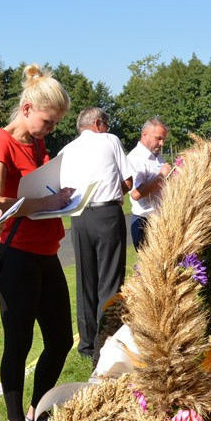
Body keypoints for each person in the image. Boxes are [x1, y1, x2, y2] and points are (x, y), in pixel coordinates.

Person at [0, 64, 75, 421]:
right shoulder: (0, 142)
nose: (50, 130)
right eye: (47, 122)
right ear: (26, 109)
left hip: (45, 252)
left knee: (61, 339)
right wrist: (40, 203)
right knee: (18, 343)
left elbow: (36, 190)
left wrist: (60, 199)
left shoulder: (37, 144)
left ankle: (37, 412)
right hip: (17, 254)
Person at [58, 107, 136, 361]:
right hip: (106, 214)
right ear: (99, 123)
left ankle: (87, 344)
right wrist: (113, 193)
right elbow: (129, 180)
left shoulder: (66, 150)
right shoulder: (109, 140)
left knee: (85, 281)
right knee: (110, 280)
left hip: (79, 217)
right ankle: (109, 340)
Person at [125, 118, 172, 249]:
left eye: (163, 139)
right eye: (158, 138)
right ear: (145, 134)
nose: (162, 143)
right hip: (144, 223)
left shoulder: (157, 157)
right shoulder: (135, 159)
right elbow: (135, 193)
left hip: (161, 221)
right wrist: (161, 176)